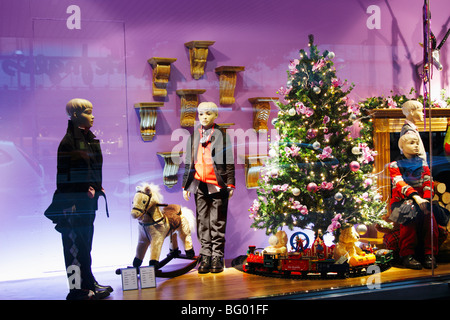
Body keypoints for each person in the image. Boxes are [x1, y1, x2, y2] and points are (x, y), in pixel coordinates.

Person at [45, 98, 112, 299]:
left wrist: (96, 187)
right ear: (75, 115)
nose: (92, 115)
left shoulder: (88, 139)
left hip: (87, 203)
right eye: (88, 112)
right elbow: (65, 176)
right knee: (73, 247)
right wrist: (84, 188)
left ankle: (88, 282)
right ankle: (76, 289)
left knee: (84, 246)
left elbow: (91, 168)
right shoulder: (68, 143)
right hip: (72, 205)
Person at [182, 102, 235, 274]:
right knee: (202, 222)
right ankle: (205, 255)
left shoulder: (222, 135)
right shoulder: (193, 137)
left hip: (217, 185)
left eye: (208, 114)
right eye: (201, 114)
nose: (204, 117)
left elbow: (229, 162)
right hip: (199, 184)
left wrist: (230, 183)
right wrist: (186, 185)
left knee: (217, 221)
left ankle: (217, 255)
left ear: (215, 115)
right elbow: (189, 163)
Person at [388, 132, 443, 269]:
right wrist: (416, 197)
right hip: (403, 199)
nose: (416, 145)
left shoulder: (422, 163)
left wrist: (426, 198)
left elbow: (427, 181)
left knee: (430, 220)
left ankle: (429, 253)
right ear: (402, 146)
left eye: (417, 142)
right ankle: (407, 255)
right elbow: (399, 183)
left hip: (422, 200)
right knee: (409, 217)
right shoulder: (395, 164)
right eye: (411, 143)